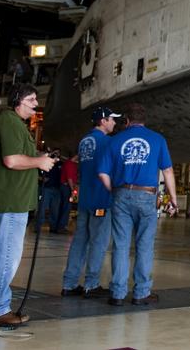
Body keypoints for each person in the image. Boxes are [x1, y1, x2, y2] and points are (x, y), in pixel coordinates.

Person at [0, 84, 55, 327]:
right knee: (6, 258)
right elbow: (12, 160)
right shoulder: (11, 123)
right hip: (10, 202)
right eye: (31, 99)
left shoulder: (12, 125)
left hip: (1, 200)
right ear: (18, 101)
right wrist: (40, 162)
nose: (36, 104)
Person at [98, 103, 178, 306]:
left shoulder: (114, 140)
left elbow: (103, 173)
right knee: (144, 245)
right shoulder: (157, 139)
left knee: (121, 245)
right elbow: (167, 171)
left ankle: (117, 293)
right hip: (147, 196)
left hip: (121, 194)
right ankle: (141, 293)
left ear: (126, 121)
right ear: (144, 120)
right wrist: (173, 199)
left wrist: (113, 191)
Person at [61, 106, 119, 297]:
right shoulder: (107, 142)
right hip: (101, 198)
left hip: (85, 198)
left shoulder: (85, 141)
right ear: (103, 121)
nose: (114, 123)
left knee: (80, 241)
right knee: (98, 242)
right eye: (111, 119)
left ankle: (69, 283)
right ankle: (91, 284)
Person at [40, 156, 66, 232]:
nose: (57, 156)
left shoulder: (61, 164)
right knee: (42, 208)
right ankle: (38, 227)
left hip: (57, 189)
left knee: (55, 209)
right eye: (55, 153)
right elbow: (39, 172)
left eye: (58, 154)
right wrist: (42, 178)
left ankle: (53, 227)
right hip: (47, 188)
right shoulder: (46, 162)